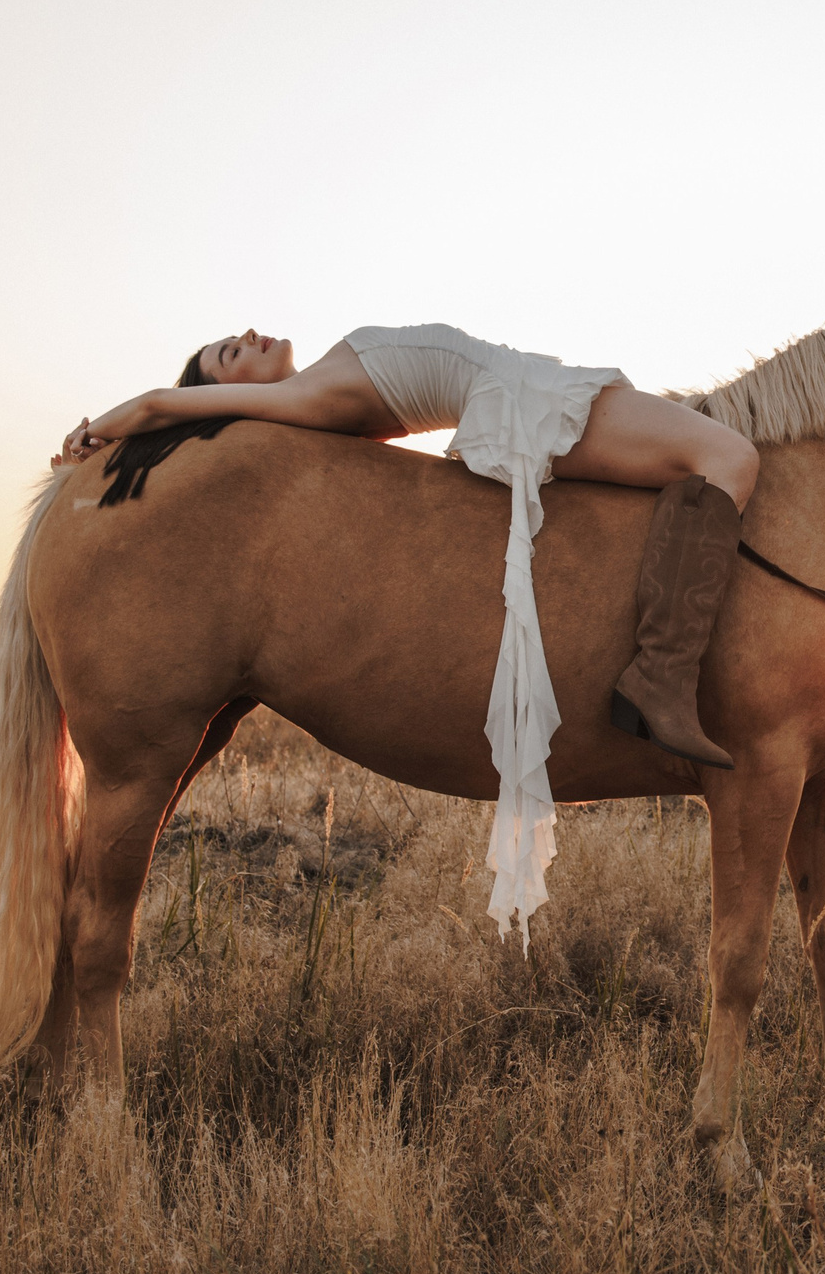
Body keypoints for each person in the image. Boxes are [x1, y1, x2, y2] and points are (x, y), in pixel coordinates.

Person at [56, 324, 759, 940]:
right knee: (731, 459)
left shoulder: (323, 396)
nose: (249, 335)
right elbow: (157, 404)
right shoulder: (303, 402)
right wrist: (104, 430)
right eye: (230, 353)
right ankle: (663, 672)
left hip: (530, 393)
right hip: (529, 403)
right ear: (218, 390)